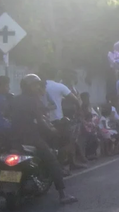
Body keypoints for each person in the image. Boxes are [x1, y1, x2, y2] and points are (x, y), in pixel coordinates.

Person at [9, 74, 77, 204]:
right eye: (35, 85)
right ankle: (63, 195)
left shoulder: (15, 99)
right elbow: (40, 121)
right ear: (28, 87)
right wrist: (52, 131)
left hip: (13, 139)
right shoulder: (32, 100)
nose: (37, 87)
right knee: (53, 161)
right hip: (31, 138)